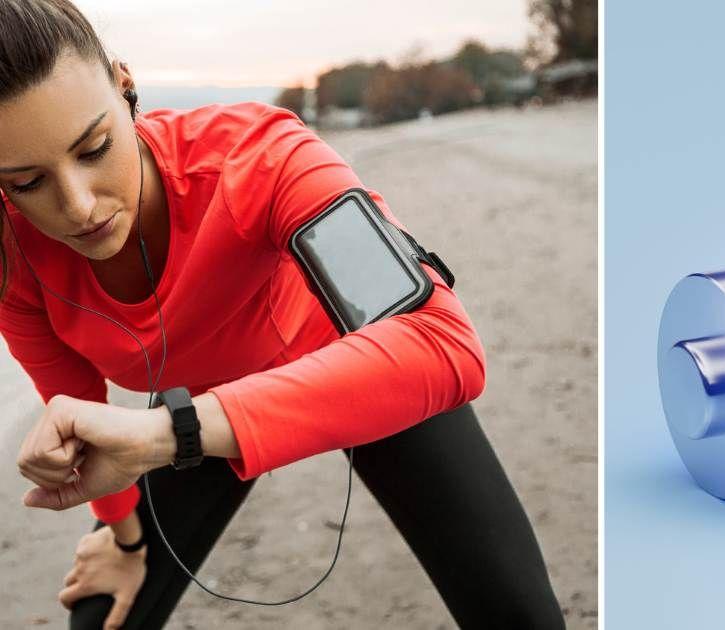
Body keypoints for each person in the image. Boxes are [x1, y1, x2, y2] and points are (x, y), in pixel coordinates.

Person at [0, 1, 565, 628]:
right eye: (26, 183)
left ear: (127, 88)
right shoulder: (12, 254)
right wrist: (124, 541)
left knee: (521, 618)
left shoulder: (259, 156)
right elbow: (79, 420)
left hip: (357, 366)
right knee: (102, 618)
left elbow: (442, 342)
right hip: (202, 410)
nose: (77, 206)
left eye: (96, 147)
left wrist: (171, 432)